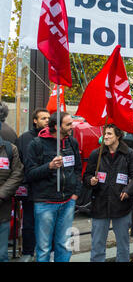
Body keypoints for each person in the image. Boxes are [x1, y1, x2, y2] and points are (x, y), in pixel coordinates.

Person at [24, 112, 82, 262]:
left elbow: (77, 170)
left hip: (67, 202)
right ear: (57, 126)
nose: (72, 127)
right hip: (45, 203)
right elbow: (29, 174)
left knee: (63, 244)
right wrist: (49, 166)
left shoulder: (72, 143)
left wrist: (75, 194)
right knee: (43, 248)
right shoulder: (36, 144)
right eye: (68, 124)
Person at [83, 124, 133, 262]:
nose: (106, 136)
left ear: (118, 136)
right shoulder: (96, 154)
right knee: (97, 245)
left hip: (121, 205)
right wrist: (90, 180)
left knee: (123, 246)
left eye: (109, 134)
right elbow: (86, 176)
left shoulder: (129, 154)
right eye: (105, 133)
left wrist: (128, 190)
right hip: (100, 205)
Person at [16, 108, 50, 262]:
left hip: (46, 189)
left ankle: (44, 252)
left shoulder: (52, 138)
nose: (47, 120)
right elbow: (18, 163)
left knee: (46, 223)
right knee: (28, 222)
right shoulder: (24, 138)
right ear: (35, 121)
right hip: (29, 188)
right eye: (43, 118)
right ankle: (28, 252)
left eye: (49, 118)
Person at [0, 131, 24, 262]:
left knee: (2, 254)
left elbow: (17, 173)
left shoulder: (10, 149)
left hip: (3, 209)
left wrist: (1, 194)